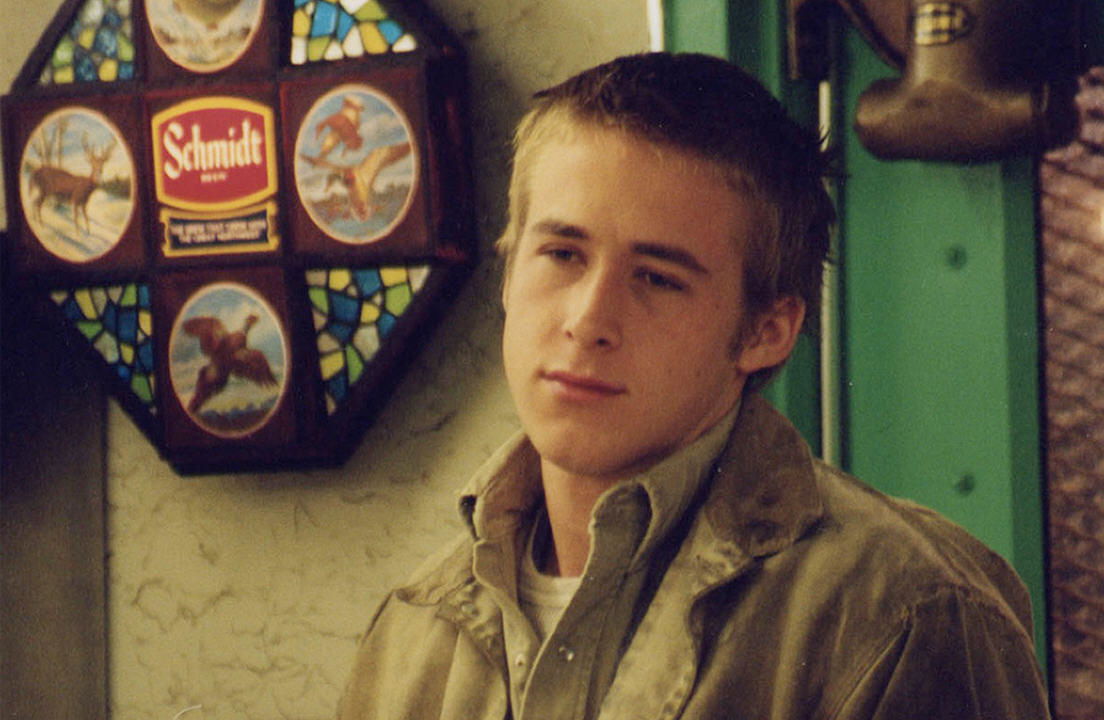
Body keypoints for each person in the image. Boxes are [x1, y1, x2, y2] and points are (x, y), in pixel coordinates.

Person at [337, 52, 1051, 720]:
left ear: (766, 331)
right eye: (562, 253)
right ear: (508, 269)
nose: (588, 321)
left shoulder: (898, 614)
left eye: (656, 278)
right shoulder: (412, 635)